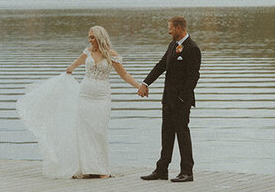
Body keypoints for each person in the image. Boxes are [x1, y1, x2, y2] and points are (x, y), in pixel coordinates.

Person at [16, 26, 140, 179]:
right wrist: (67, 72)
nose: (90, 40)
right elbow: (75, 64)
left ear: (100, 38)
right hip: (84, 96)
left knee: (99, 132)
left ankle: (102, 169)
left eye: (93, 37)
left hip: (102, 97)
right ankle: (87, 168)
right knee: (84, 132)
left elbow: (125, 74)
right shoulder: (87, 52)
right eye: (89, 37)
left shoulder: (111, 55)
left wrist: (139, 86)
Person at [138, 16, 201, 182]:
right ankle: (161, 170)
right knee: (166, 134)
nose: (169, 31)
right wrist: (145, 83)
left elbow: (193, 77)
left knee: (182, 134)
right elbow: (161, 66)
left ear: (179, 28)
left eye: (171, 28)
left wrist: (182, 97)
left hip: (181, 101)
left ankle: (187, 171)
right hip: (167, 100)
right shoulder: (173, 45)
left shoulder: (192, 48)